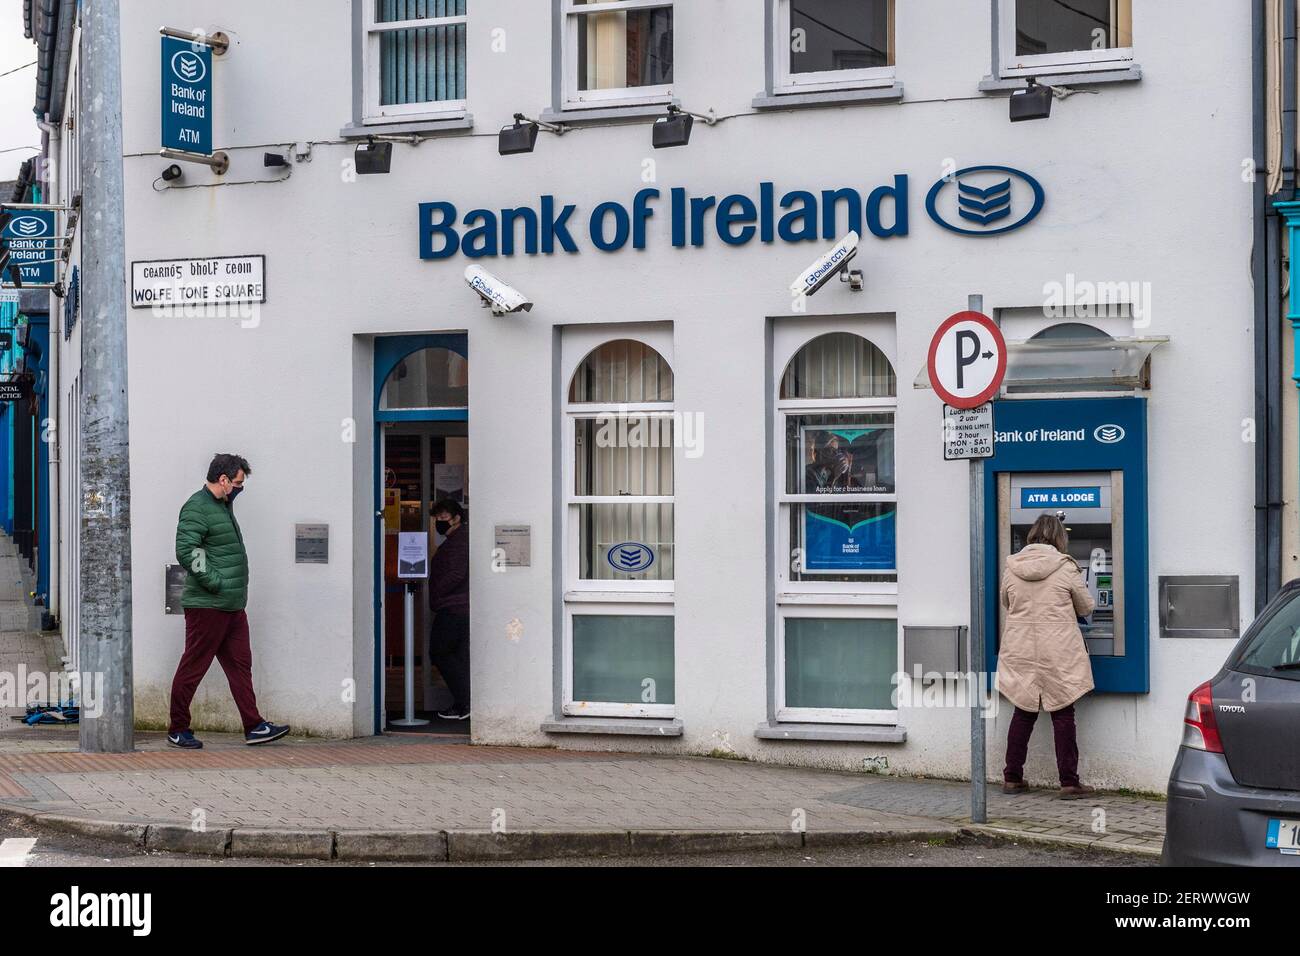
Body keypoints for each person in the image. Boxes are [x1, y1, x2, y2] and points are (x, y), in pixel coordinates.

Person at [167, 453, 290, 749]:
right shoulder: (198, 507)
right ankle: (177, 727)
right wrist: (215, 582)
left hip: (232, 606)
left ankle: (254, 726)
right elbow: (186, 550)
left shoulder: (222, 506)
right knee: (194, 665)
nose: (239, 488)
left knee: (240, 666)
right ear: (223, 480)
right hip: (208, 606)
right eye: (237, 483)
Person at [997, 513, 1096, 799]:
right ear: (1058, 537)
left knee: (1023, 711)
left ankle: (1012, 777)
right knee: (1063, 713)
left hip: (1021, 648)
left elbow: (1006, 602)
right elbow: (1087, 606)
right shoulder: (1065, 567)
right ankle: (1069, 782)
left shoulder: (1011, 566)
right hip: (1058, 649)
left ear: (1031, 536)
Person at [427, 498, 470, 721]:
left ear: (456, 519)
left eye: (443, 519)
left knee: (440, 652)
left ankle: (465, 701)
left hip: (454, 607)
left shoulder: (459, 542)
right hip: (456, 606)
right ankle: (464, 702)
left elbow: (456, 574)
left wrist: (438, 593)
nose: (439, 523)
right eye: (437, 519)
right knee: (456, 656)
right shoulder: (456, 540)